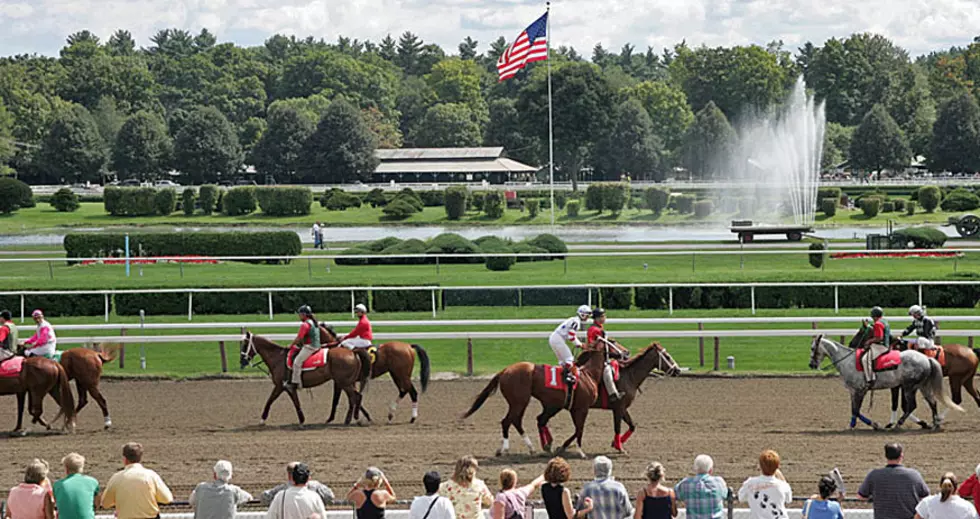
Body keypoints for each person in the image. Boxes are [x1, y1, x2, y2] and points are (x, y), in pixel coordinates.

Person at [101, 442, 175, 519]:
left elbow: (105, 504)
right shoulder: (151, 475)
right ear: (140, 457)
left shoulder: (116, 478)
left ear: (125, 459)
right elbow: (167, 499)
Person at [857, 443, 929, 519]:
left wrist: (874, 497)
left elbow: (861, 496)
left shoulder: (874, 475)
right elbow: (925, 496)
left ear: (886, 456)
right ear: (901, 456)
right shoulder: (914, 475)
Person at [737, 450, 792, 519]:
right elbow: (788, 499)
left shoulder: (750, 483)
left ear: (760, 466)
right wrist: (780, 476)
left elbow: (741, 497)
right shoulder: (783, 485)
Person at [674, 455, 727, 519]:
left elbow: (674, 494)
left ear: (695, 468)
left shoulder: (685, 484)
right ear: (711, 470)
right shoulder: (719, 482)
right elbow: (725, 494)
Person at [550, 305, 592, 386]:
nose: (587, 317)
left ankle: (560, 380)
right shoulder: (576, 322)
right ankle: (567, 379)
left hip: (554, 338)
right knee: (569, 359)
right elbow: (571, 336)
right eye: (587, 315)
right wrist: (580, 344)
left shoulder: (574, 319)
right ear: (582, 314)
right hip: (558, 339)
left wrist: (579, 343)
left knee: (563, 362)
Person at [587, 308, 623, 401]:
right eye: (603, 316)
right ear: (597, 318)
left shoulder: (598, 328)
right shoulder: (594, 330)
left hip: (600, 356)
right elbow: (594, 345)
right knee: (607, 371)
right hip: (596, 358)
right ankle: (613, 394)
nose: (605, 318)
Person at [261, 463, 335, 507]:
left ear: (289, 475)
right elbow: (330, 497)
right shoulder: (315, 488)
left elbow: (264, 498)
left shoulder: (281, 491)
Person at [53, 453, 101, 519]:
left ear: (66, 469)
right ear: (81, 468)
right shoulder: (93, 482)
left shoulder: (58, 485)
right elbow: (97, 503)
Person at [285, 305, 321, 391]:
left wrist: (291, 345)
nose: (299, 316)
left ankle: (296, 383)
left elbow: (299, 338)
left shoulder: (305, 325)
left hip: (310, 347)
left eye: (300, 314)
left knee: (297, 362)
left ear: (304, 314)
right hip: (316, 345)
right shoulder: (313, 322)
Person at [860, 306, 891, 388]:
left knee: (865, 360)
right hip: (884, 344)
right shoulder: (884, 321)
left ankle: (870, 380)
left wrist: (869, 341)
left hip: (881, 346)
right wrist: (868, 326)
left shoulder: (878, 323)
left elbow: (879, 338)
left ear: (874, 316)